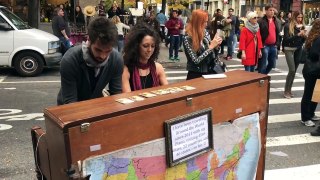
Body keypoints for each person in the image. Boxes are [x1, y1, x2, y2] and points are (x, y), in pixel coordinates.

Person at [57, 17, 122, 105]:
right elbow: (70, 102)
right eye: (98, 50)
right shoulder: (70, 60)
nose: (103, 56)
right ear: (89, 40)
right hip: (68, 107)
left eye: (108, 51)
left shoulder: (116, 59)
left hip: (94, 105)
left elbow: (116, 96)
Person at [122, 23, 168, 92]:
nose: (149, 50)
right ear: (136, 46)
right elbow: (127, 97)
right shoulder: (126, 70)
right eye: (145, 46)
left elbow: (168, 92)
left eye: (153, 46)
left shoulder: (158, 68)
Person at [183, 9, 222, 80]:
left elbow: (212, 56)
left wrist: (216, 46)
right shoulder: (188, 38)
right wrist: (210, 47)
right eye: (204, 22)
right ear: (198, 22)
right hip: (195, 75)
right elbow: (196, 61)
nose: (206, 24)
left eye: (207, 21)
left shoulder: (205, 33)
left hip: (209, 72)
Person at [300, 19, 320, 127]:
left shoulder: (313, 37)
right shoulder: (318, 38)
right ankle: (305, 118)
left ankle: (310, 114)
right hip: (313, 70)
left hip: (311, 70)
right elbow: (314, 54)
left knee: (315, 94)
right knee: (309, 94)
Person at [282, 11, 306, 99]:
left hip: (298, 48)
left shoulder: (302, 26)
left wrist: (303, 36)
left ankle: (289, 90)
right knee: (291, 70)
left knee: (294, 71)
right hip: (289, 48)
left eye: (301, 18)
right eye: (298, 17)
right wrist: (298, 34)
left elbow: (302, 40)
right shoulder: (288, 26)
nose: (300, 19)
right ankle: (286, 90)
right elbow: (286, 40)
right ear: (294, 17)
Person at [257, 4, 280, 74]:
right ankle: (261, 78)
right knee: (263, 64)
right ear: (266, 11)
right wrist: (260, 46)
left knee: (272, 64)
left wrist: (277, 44)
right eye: (270, 10)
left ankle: (263, 75)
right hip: (265, 45)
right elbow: (258, 35)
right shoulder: (260, 21)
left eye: (273, 10)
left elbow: (278, 33)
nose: (272, 12)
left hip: (273, 45)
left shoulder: (276, 21)